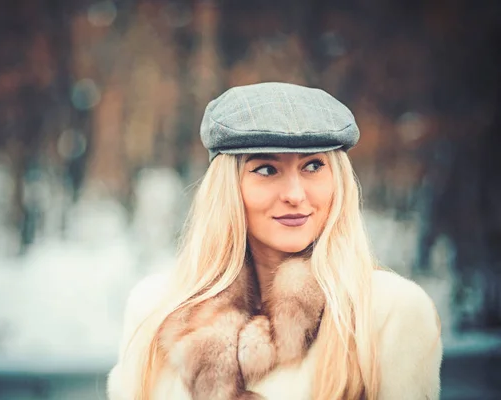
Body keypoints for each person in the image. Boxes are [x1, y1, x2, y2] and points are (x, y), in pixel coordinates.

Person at [107, 82, 443, 400]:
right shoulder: (155, 310)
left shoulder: (390, 313)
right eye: (266, 169)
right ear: (228, 190)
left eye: (313, 166)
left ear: (338, 181)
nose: (295, 195)